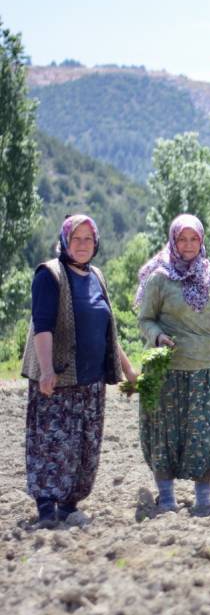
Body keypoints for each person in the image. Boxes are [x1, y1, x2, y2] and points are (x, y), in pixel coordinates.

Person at [21, 215, 137, 523]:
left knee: (85, 447)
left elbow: (107, 329)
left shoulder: (96, 275)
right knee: (52, 445)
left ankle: (70, 507)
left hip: (92, 381)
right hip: (59, 380)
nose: (83, 245)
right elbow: (42, 326)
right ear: (64, 241)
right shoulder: (50, 274)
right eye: (76, 238)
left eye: (88, 239)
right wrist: (46, 370)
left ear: (96, 242)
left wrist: (128, 369)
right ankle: (47, 508)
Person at [136, 214, 210, 512]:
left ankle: (203, 499)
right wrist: (157, 338)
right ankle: (166, 498)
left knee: (207, 435)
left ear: (202, 240)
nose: (189, 244)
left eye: (194, 238)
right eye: (182, 238)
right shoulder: (160, 277)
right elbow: (145, 319)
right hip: (171, 371)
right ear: (173, 241)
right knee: (165, 433)